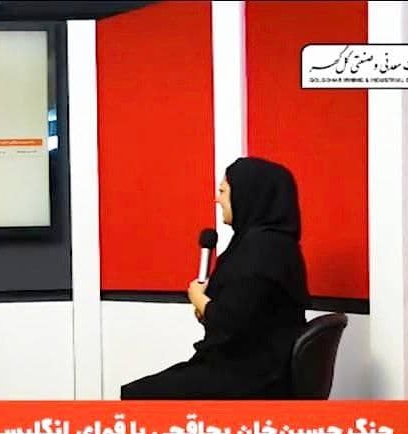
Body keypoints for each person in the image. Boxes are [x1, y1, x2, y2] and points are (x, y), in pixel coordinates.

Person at [121, 157, 309, 400]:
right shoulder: (273, 245)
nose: (217, 199)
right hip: (254, 367)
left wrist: (198, 298)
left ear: (247, 195)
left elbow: (230, 322)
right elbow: (246, 315)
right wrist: (208, 308)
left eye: (223, 191)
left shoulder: (261, 251)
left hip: (251, 377)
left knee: (137, 396)